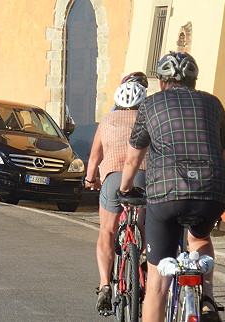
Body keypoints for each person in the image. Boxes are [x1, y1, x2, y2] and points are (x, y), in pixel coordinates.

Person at [119, 52, 225, 322]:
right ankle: (206, 298)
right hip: (211, 189)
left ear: (161, 83)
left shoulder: (151, 104)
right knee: (200, 238)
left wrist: (125, 189)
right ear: (195, 81)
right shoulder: (213, 103)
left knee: (157, 285)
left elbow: (133, 159)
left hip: (166, 193)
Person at [85, 81, 148, 313]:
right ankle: (143, 257)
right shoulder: (148, 119)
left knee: (107, 231)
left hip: (112, 177)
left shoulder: (106, 120)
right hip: (143, 177)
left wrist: (90, 179)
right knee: (145, 227)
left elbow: (94, 157)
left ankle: (104, 285)